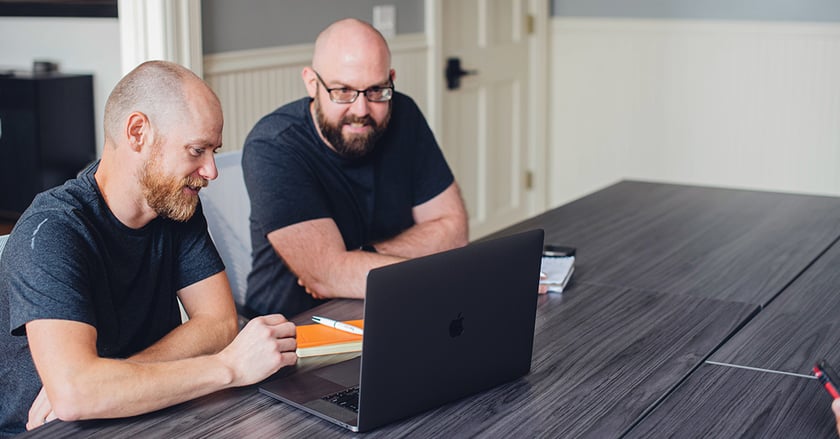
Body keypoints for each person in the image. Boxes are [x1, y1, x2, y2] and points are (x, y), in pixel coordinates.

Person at [0, 60, 297, 437]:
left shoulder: (176, 205)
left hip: (152, 413)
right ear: (138, 132)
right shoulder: (51, 231)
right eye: (196, 150)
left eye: (213, 151)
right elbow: (76, 396)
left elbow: (219, 322)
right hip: (53, 431)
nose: (211, 171)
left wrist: (114, 382)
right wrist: (230, 368)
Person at [242, 18, 470, 317]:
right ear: (312, 83)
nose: (361, 110)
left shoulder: (404, 114)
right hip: (292, 331)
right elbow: (327, 277)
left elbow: (454, 231)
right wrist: (448, 275)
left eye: (376, 90)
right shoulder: (273, 146)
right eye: (343, 91)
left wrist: (361, 259)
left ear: (391, 78)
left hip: (392, 306)